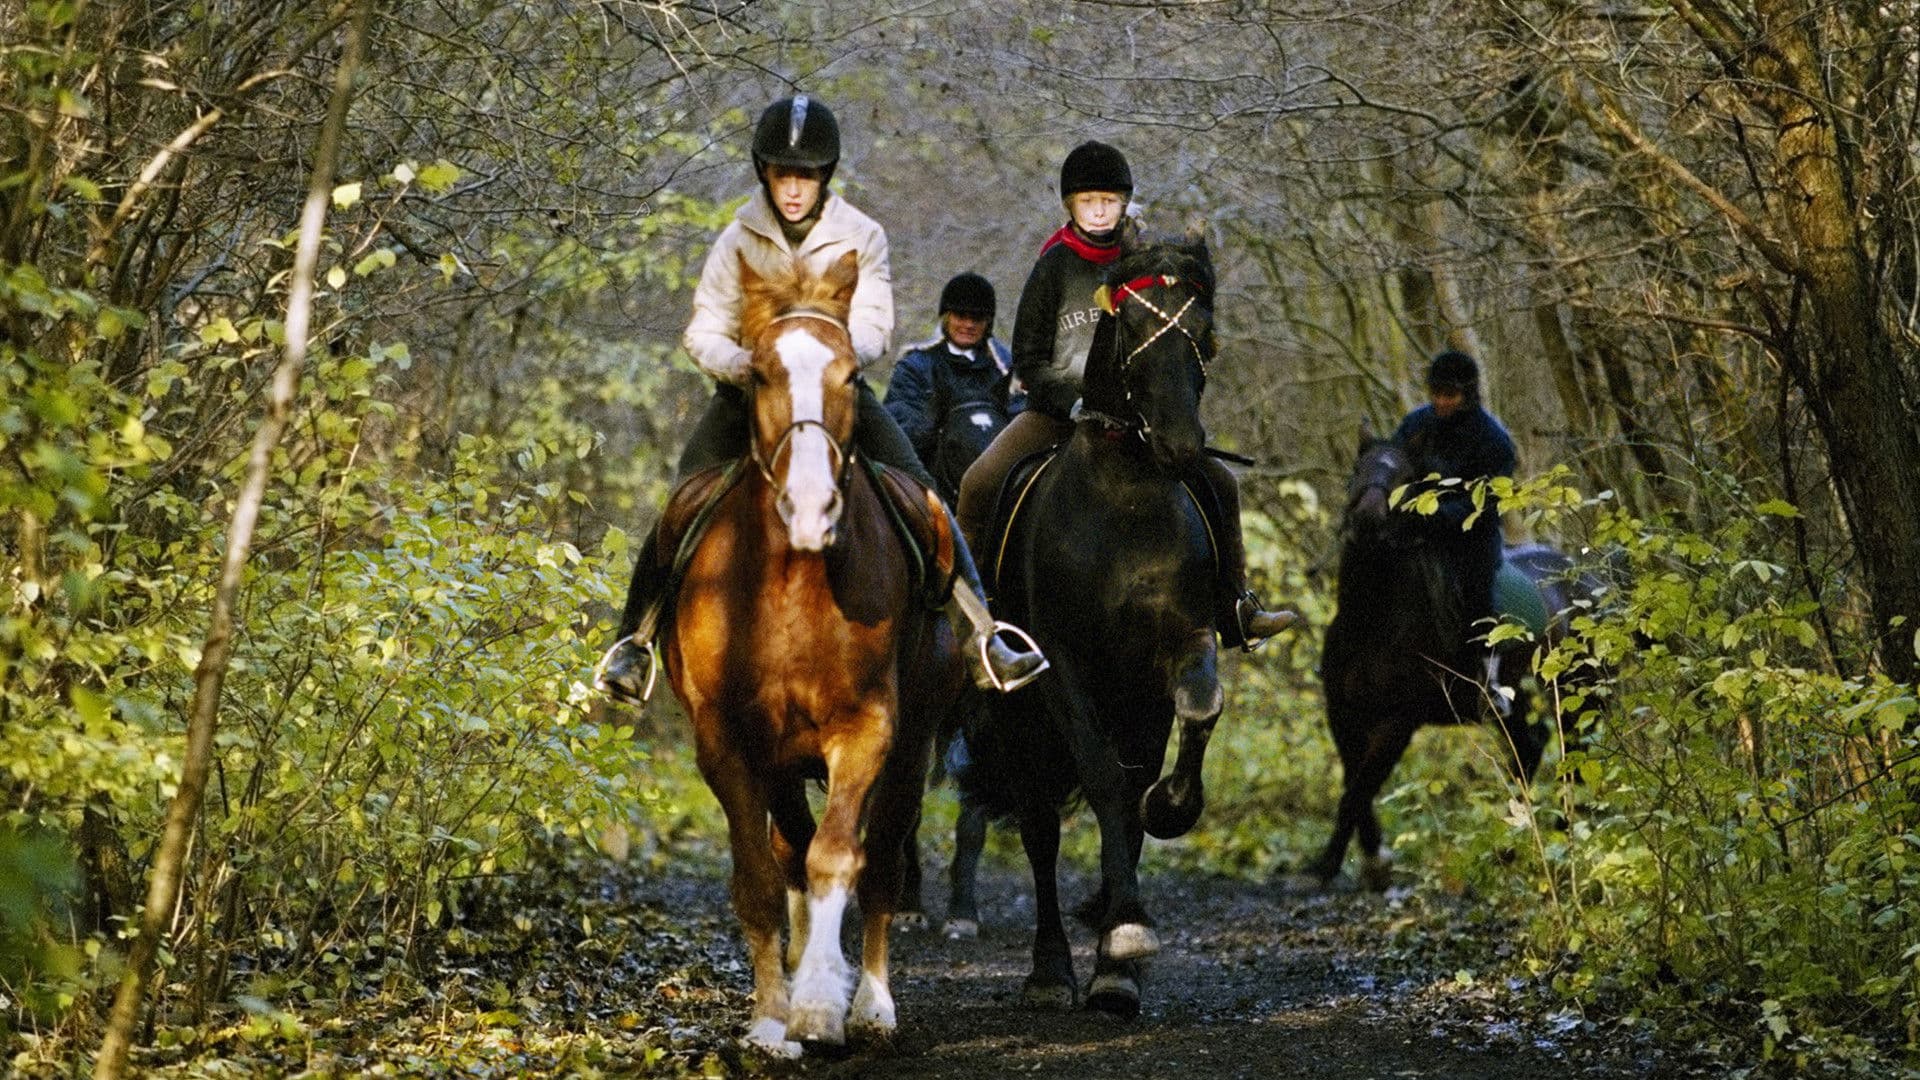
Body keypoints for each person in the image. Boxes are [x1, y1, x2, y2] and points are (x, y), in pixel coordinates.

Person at [597, 94, 1046, 702]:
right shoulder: (736, 240)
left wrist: (826, 359)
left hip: (834, 393)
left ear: (824, 176)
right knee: (681, 501)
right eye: (783, 176)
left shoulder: (862, 234)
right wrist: (747, 365)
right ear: (765, 174)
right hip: (752, 396)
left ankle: (983, 635)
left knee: (925, 498)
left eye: (805, 177)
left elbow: (875, 325)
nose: (793, 190)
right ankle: (636, 643)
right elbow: (703, 330)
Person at [954, 140, 1295, 649]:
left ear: (1124, 204)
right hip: (1059, 412)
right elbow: (1028, 356)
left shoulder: (1145, 261)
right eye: (1088, 201)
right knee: (979, 481)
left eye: (1109, 201)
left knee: (1222, 484)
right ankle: (973, 615)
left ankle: (1237, 605)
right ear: (1070, 205)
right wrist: (1069, 402)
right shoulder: (1054, 265)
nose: (1098, 211)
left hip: (1140, 417)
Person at [1391, 348, 1518, 692]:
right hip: (1417, 530)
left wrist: (1440, 515)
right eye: (1436, 393)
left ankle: (1490, 679)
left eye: (1450, 395)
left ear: (1468, 395)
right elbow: (1396, 466)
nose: (1441, 401)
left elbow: (1490, 498)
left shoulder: (1493, 439)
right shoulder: (1415, 425)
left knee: (1478, 594)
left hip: (1471, 537)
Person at [883, 272, 1023, 505]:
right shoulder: (915, 366)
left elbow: (1020, 423)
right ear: (947, 317)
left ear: (987, 323)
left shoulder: (1007, 369)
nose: (968, 325)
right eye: (960, 316)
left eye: (976, 318)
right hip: (931, 484)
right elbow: (900, 433)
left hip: (998, 484)